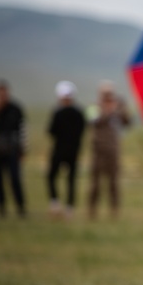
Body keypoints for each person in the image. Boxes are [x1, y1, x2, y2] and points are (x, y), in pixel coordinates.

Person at [88, 82, 131, 219]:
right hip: (98, 149)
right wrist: (107, 112)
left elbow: (127, 122)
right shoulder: (94, 107)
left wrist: (120, 110)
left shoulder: (117, 108)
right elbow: (93, 121)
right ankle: (92, 209)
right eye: (105, 94)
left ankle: (114, 210)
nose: (108, 97)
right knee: (95, 182)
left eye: (110, 94)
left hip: (113, 149)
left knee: (113, 182)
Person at [0, 79, 27, 218]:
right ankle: (1, 207)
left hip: (12, 149)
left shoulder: (16, 109)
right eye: (0, 94)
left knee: (15, 179)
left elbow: (22, 130)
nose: (3, 96)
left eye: (5, 93)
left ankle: (20, 207)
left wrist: (23, 149)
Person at [47, 80, 86, 219]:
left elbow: (51, 131)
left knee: (53, 176)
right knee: (70, 179)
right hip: (73, 150)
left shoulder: (58, 113)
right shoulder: (78, 113)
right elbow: (83, 129)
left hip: (60, 149)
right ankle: (67, 206)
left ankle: (56, 202)